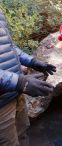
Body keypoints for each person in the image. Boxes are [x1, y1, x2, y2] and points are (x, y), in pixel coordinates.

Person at [0, 11, 56, 146]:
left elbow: (9, 48)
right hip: (2, 104)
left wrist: (32, 62)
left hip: (16, 93)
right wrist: (20, 82)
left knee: (23, 133)